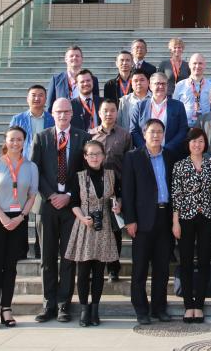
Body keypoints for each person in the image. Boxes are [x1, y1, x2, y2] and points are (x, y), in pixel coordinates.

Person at [31, 98, 87, 324]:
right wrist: (51, 195)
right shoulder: (41, 137)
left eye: (66, 111)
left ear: (72, 113)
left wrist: (69, 196)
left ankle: (64, 303)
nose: (62, 115)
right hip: (46, 206)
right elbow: (35, 170)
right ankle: (48, 303)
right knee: (47, 257)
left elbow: (84, 172)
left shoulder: (83, 137)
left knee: (68, 257)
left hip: (71, 207)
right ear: (51, 114)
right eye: (58, 112)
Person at [0, 127, 39, 328]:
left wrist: (21, 216)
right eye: (12, 139)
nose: (15, 143)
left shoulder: (31, 166)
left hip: (19, 219)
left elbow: (32, 195)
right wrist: (2, 216)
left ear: (24, 142)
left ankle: (6, 308)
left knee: (11, 266)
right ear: (5, 141)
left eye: (19, 139)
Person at [122, 119, 176, 324]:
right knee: (140, 269)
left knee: (162, 268)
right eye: (152, 132)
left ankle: (159, 308)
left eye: (159, 132)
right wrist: (130, 220)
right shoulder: (133, 157)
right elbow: (128, 191)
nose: (156, 135)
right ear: (144, 134)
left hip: (165, 217)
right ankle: (141, 310)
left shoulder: (170, 156)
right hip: (142, 220)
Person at [66, 140, 121, 326]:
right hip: (85, 226)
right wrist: (82, 218)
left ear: (104, 156)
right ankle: (84, 310)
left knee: (99, 271)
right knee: (83, 272)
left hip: (104, 226)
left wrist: (118, 205)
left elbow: (118, 196)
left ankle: (95, 309)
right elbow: (74, 203)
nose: (95, 157)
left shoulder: (111, 175)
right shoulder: (79, 177)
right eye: (91, 154)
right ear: (85, 156)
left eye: (98, 154)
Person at [171, 128, 211, 323]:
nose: (197, 144)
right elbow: (176, 194)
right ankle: (188, 305)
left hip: (208, 217)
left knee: (204, 261)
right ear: (188, 143)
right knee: (185, 261)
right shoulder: (179, 165)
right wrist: (175, 222)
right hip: (185, 218)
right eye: (193, 141)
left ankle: (199, 305)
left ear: (205, 143)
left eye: (200, 141)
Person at [91, 99, 132, 282]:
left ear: (117, 113)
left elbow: (128, 165)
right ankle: (95, 266)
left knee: (115, 229)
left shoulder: (124, 135)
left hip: (116, 187)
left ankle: (113, 268)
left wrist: (122, 195)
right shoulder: (90, 135)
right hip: (95, 188)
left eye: (112, 110)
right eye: (105, 110)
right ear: (99, 113)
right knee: (96, 227)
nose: (109, 114)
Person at [129, 72, 187, 153]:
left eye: (164, 84)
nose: (161, 86)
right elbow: (133, 131)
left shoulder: (178, 106)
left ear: (167, 86)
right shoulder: (139, 106)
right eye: (157, 83)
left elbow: (183, 130)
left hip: (170, 153)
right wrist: (146, 149)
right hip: (145, 154)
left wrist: (168, 148)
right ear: (150, 86)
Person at [47, 46, 98, 110]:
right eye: (71, 56)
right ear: (66, 59)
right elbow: (49, 106)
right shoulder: (56, 80)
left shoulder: (92, 79)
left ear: (82, 59)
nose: (74, 58)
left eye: (77, 56)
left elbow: (96, 104)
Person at [10, 84, 54, 159]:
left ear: (46, 99)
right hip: (23, 160)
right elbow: (10, 142)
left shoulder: (53, 119)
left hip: (46, 160)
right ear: (27, 99)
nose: (37, 98)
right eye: (33, 95)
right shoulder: (17, 119)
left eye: (40, 95)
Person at [173, 53, 211, 127]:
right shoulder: (180, 85)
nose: (197, 66)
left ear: (204, 65)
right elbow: (175, 107)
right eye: (194, 63)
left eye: (200, 63)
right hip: (185, 126)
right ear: (189, 65)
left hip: (205, 126)